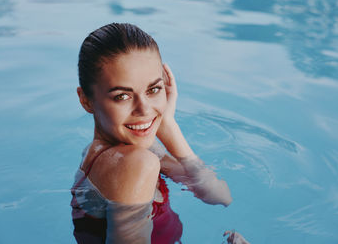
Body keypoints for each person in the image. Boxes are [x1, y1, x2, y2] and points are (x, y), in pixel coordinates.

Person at [70, 23, 235, 244]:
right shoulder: (135, 164)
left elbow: (218, 196)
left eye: (153, 89)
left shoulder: (121, 153)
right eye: (122, 96)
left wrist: (167, 123)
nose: (145, 109)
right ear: (86, 101)